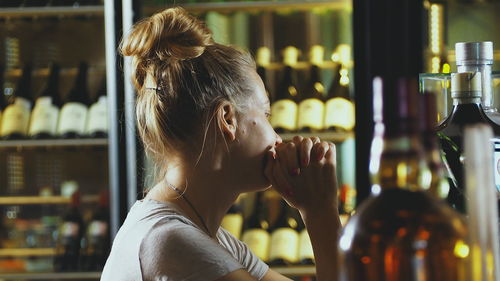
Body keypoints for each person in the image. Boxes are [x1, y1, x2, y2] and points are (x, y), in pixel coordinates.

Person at [101, 7, 340, 281]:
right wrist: (321, 213)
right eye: (264, 114)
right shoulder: (173, 243)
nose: (277, 138)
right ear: (227, 119)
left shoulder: (205, 236)